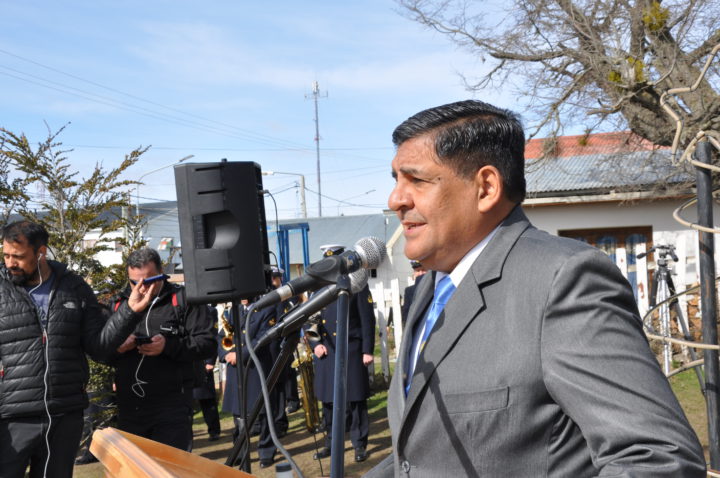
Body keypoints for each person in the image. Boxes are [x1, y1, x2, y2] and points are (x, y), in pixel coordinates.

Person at [365, 100, 706, 477]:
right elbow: (420, 451)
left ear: (486, 187)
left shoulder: (562, 280)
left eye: (416, 180)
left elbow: (657, 459)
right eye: (395, 180)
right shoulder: (427, 290)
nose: (396, 199)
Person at [0, 220, 156, 478]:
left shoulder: (74, 287)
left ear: (41, 253)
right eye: (5, 255)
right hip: (12, 417)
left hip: (64, 415)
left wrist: (130, 311)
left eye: (18, 256)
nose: (10, 263)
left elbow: (99, 348)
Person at [109, 247, 215, 452]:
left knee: (170, 469)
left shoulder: (183, 299)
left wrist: (168, 346)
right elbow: (101, 351)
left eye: (148, 281)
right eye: (134, 282)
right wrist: (118, 347)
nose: (141, 288)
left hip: (172, 403)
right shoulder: (118, 304)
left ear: (161, 274)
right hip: (130, 405)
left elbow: (207, 343)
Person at [311, 244, 376, 463]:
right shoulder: (318, 290)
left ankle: (359, 444)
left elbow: (367, 320)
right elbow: (308, 323)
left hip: (352, 350)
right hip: (327, 353)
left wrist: (367, 350)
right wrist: (315, 344)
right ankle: (331, 443)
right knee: (329, 402)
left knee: (356, 401)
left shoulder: (356, 284)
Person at [220, 298, 279, 469]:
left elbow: (263, 338)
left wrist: (240, 354)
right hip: (235, 367)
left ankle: (266, 451)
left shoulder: (266, 308)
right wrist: (224, 354)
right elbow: (222, 335)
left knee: (264, 411)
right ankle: (239, 451)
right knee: (239, 414)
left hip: (255, 366)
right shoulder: (235, 310)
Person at [193, 305, 221, 442]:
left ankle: (214, 430)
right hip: (187, 359)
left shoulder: (209, 310)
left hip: (203, 361)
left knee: (207, 399)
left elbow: (213, 336)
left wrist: (210, 361)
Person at [400, 260, 427, 328]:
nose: (421, 273)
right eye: (417, 271)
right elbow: (406, 313)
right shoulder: (409, 291)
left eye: (423, 270)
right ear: (414, 273)